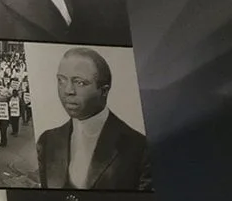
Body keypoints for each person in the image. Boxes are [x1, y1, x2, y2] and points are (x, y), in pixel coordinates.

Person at [36, 48, 151, 190]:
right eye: (61, 80)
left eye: (80, 83)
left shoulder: (139, 148)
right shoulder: (47, 141)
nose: (68, 90)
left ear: (104, 91)